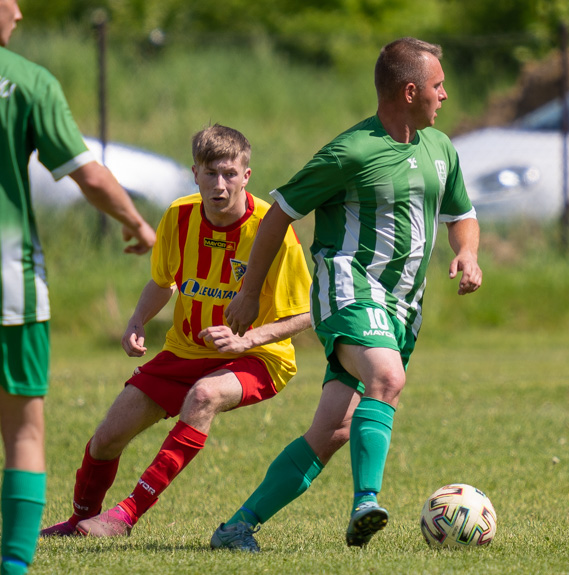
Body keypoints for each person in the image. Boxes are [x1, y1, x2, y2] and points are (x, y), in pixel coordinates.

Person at [213, 37, 482, 551]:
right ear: (409, 91)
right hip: (349, 285)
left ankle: (236, 528)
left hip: (402, 305)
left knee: (333, 430)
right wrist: (249, 293)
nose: (444, 95)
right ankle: (366, 503)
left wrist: (467, 254)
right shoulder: (350, 151)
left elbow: (462, 215)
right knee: (386, 376)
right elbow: (280, 214)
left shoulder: (440, 148)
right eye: (437, 85)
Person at [38, 124, 312, 540]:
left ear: (247, 175)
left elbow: (309, 313)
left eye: (230, 174)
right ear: (194, 173)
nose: (220, 185)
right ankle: (79, 520)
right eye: (210, 174)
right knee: (107, 438)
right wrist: (137, 319)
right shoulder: (179, 216)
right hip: (185, 350)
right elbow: (164, 280)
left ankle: (125, 515)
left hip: (259, 357)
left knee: (205, 395)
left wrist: (248, 339)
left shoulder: (271, 230)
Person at [1, 1, 156, 573]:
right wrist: (137, 223)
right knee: (21, 430)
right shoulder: (26, 82)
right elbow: (86, 173)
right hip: (8, 287)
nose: (17, 12)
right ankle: (13, 567)